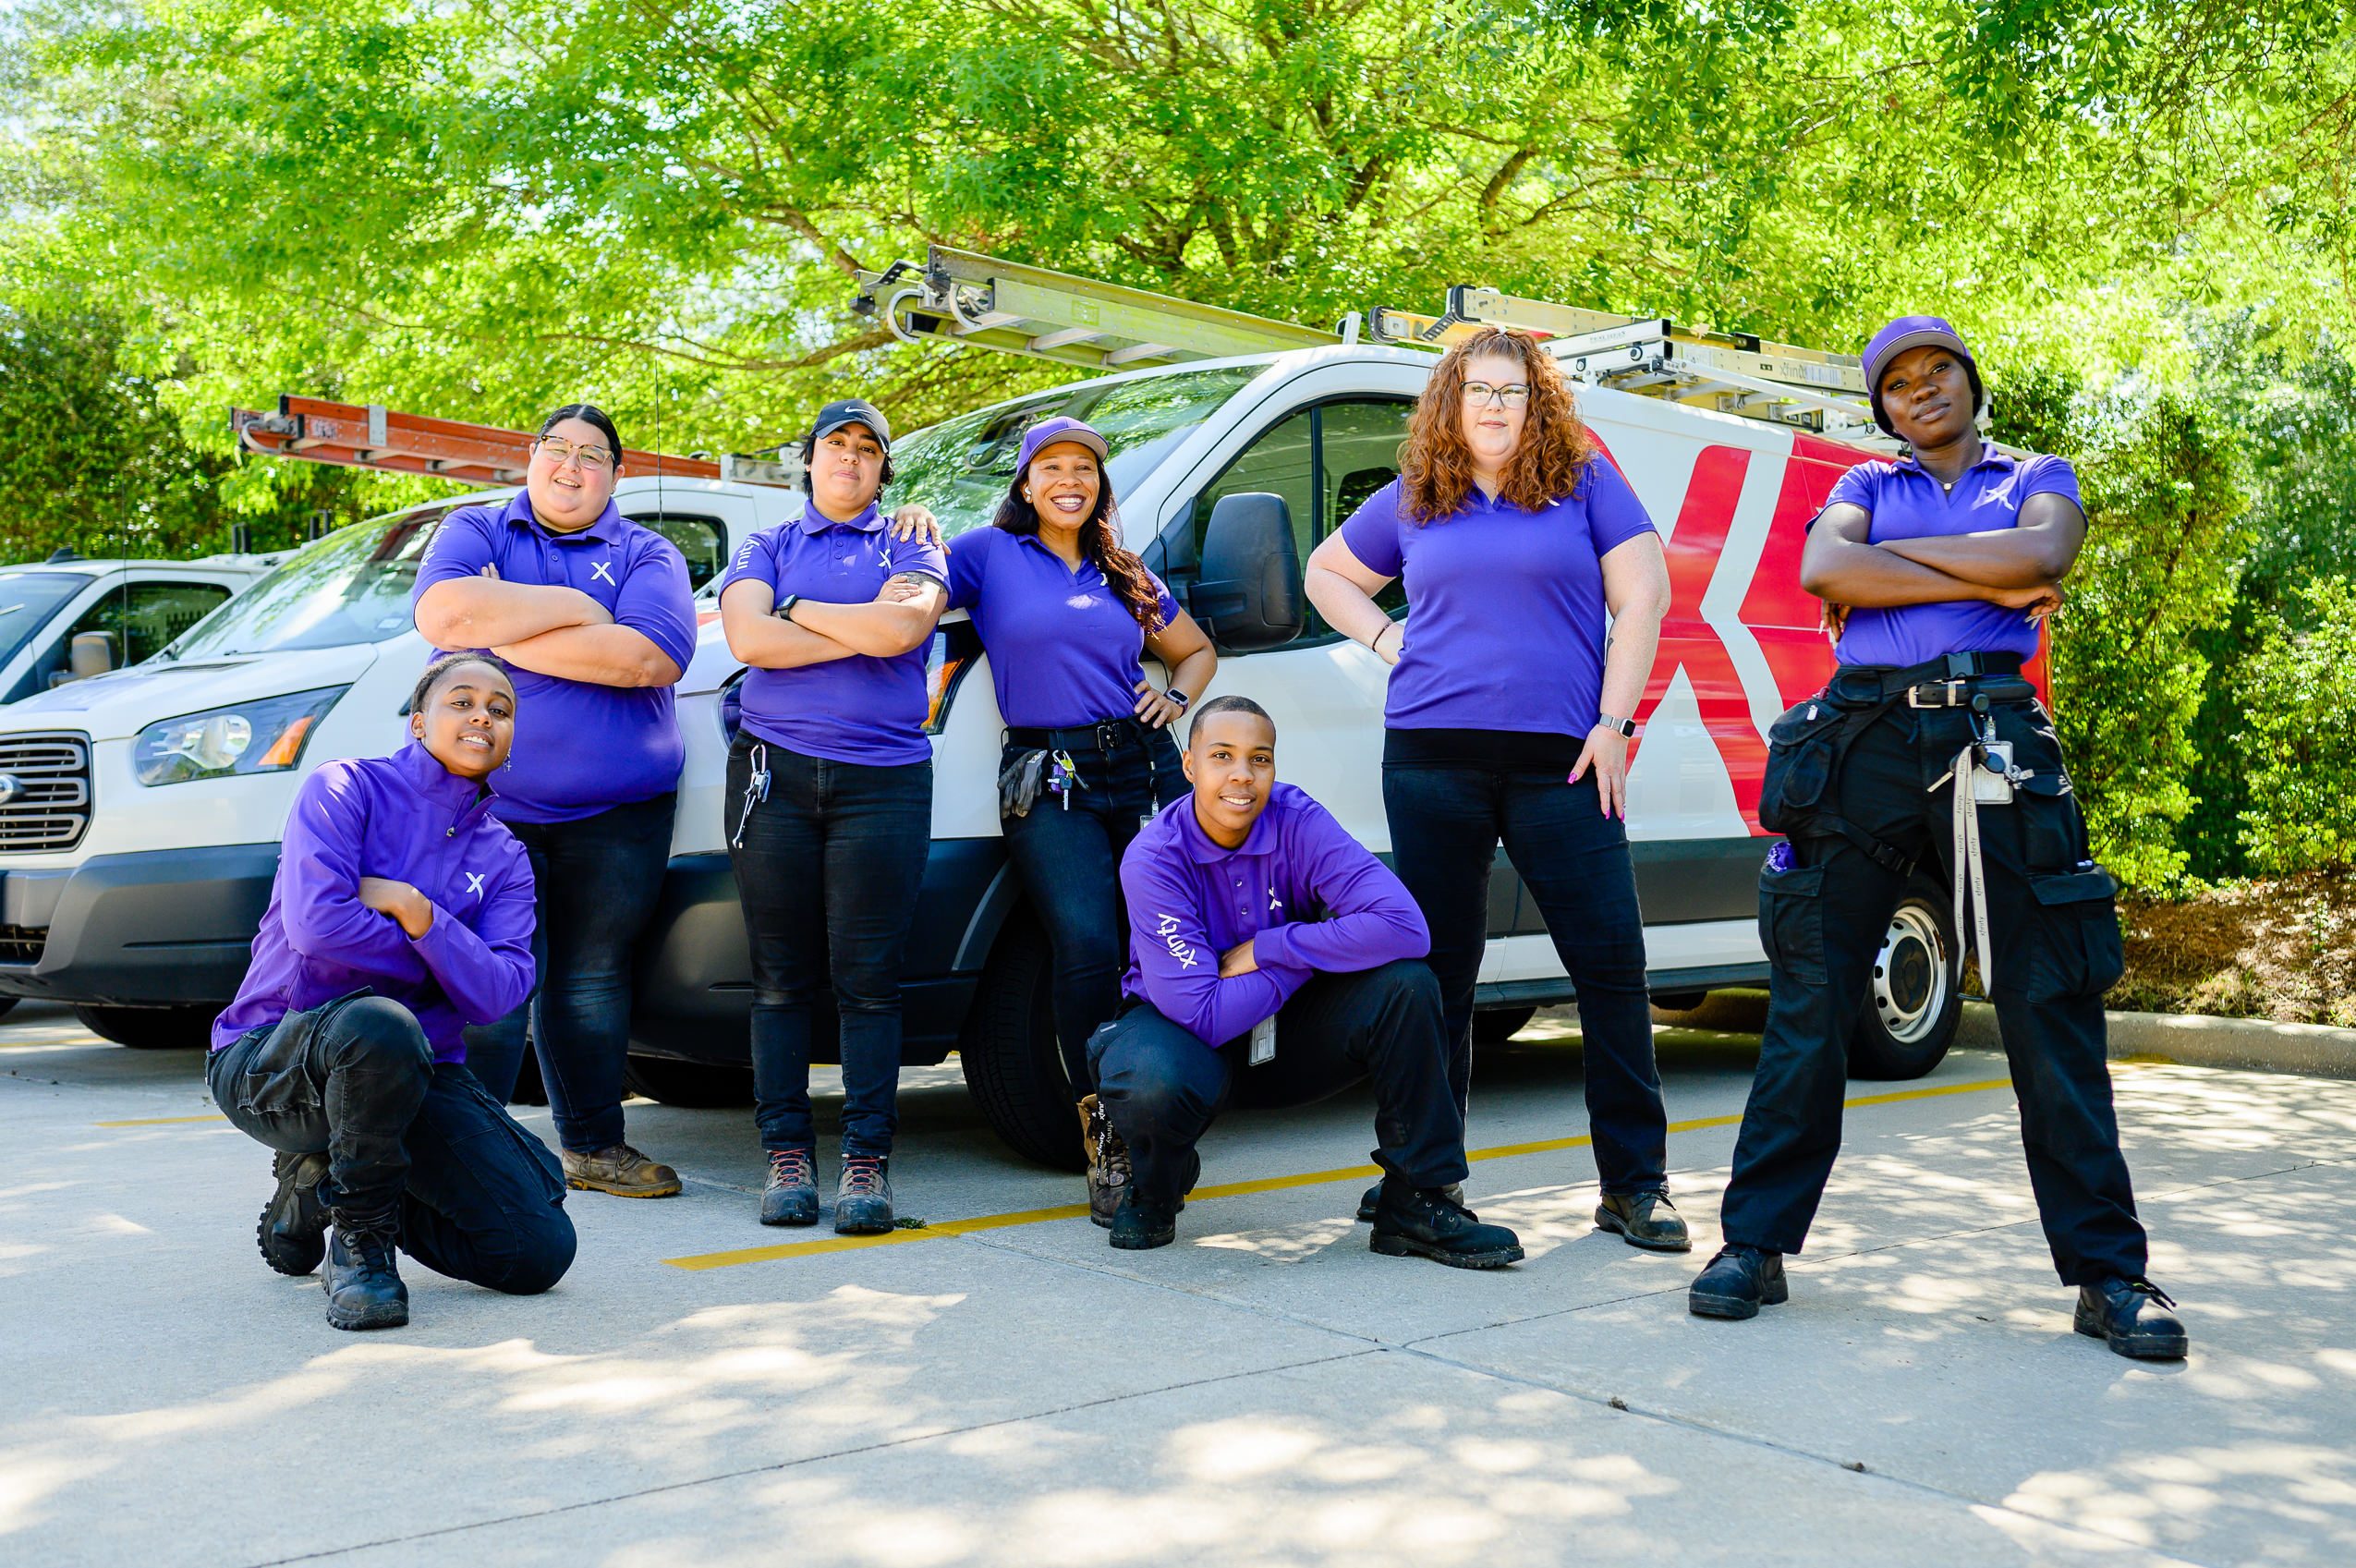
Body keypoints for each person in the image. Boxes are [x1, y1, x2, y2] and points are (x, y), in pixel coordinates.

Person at [1685, 316, 2189, 1360]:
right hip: (1863, 739)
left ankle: (2109, 1273)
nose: (1922, 391)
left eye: (1938, 372)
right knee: (1812, 999)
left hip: (1996, 742)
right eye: (1899, 383)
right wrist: (1983, 575)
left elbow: (2046, 549)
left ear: (1970, 383)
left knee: (2047, 1000)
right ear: (1883, 409)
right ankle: (1754, 1246)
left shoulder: (2037, 473)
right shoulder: (1864, 487)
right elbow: (1829, 571)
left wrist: (1908, 564)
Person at [1304, 325, 1686, 1252]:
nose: (1493, 405)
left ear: (1537, 401)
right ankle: (1421, 1172)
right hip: (1432, 759)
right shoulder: (1416, 495)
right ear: (1451, 399)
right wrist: (1391, 642)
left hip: (1562, 760)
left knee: (1610, 964)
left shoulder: (1583, 480)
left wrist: (1615, 723)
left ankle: (1634, 1185)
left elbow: (1645, 596)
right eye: (1477, 388)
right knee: (1439, 974)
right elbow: (1327, 573)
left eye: (1511, 390)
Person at [1089, 696, 1524, 1268]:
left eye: (1259, 759)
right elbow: (1204, 1012)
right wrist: (1313, 952)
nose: (1242, 775)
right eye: (1222, 756)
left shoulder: (1297, 820)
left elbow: (1405, 928)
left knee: (1407, 985)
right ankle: (1155, 1183)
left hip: (1287, 1036)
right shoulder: (1154, 857)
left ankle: (1417, 1199)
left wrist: (1275, 946)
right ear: (1190, 766)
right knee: (1149, 1080)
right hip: (1186, 1038)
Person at [208, 653, 574, 1331]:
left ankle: (323, 1177)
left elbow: (502, 993)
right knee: (380, 1024)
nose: (482, 716)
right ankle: (360, 1245)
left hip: (414, 1072)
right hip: (274, 1062)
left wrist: (418, 913)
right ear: (418, 720)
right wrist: (449, 963)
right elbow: (317, 927)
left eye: (500, 709)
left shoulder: (505, 857)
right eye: (461, 701)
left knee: (536, 1251)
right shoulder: (343, 788)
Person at [411, 404, 698, 1200]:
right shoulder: (476, 529)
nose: (571, 467)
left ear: (615, 472)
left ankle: (593, 1147)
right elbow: (441, 614)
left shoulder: (648, 551)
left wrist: (496, 624)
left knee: (592, 979)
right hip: (485, 807)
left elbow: (648, 656)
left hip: (619, 813)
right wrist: (582, 612)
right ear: (531, 457)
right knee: (487, 983)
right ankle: (469, 1151)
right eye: (557, 450)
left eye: (592, 456)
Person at [944, 415, 1218, 1222]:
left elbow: (1195, 652)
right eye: (1052, 467)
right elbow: (914, 594)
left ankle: (1162, 1116)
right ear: (1026, 484)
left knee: (1159, 941)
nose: (1070, 479)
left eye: (1085, 469)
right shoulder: (986, 555)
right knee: (1089, 945)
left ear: (1099, 485)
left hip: (1139, 765)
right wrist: (910, 526)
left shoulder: (1121, 569)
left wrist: (1174, 695)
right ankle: (1107, 1137)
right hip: (1048, 773)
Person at [717, 398, 950, 1235]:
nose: (849, 458)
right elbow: (747, 641)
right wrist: (858, 627)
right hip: (772, 777)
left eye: (865, 449)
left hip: (883, 781)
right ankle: (785, 1153)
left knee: (869, 983)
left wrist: (799, 611)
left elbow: (905, 627)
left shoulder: (915, 541)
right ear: (808, 460)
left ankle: (865, 1161)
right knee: (779, 978)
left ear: (883, 467)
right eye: (834, 445)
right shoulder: (766, 544)